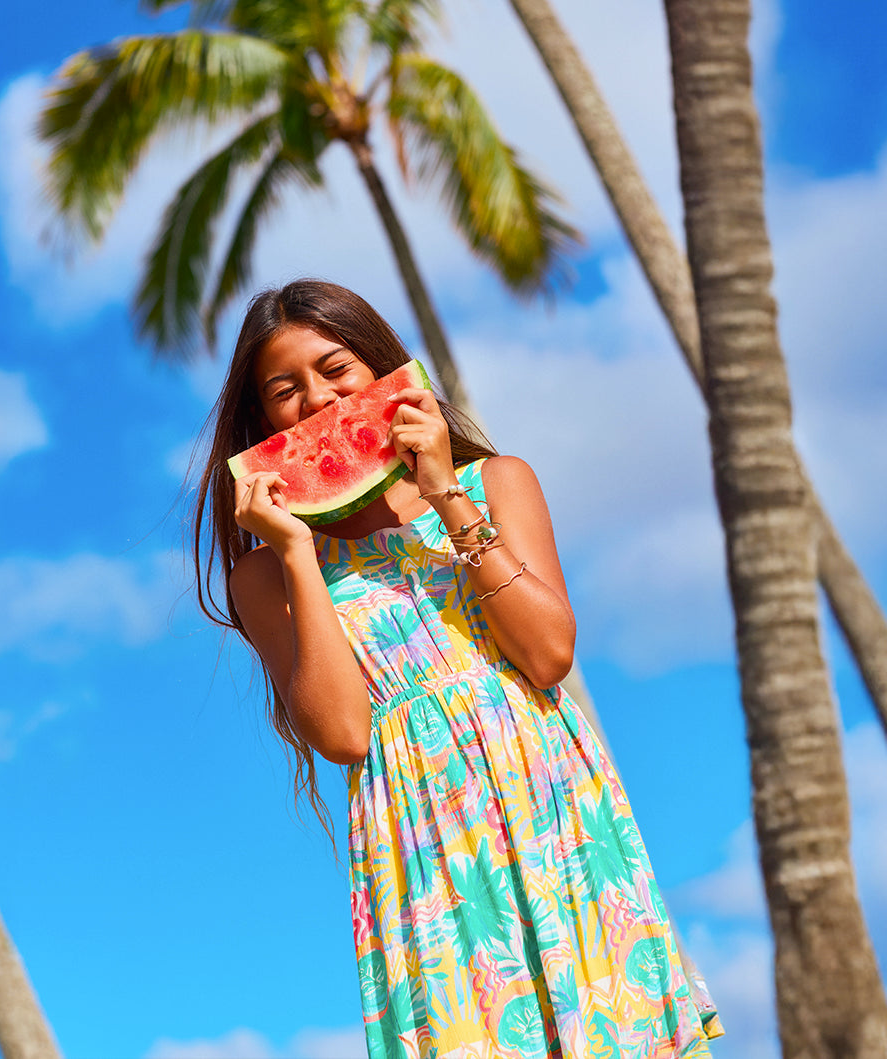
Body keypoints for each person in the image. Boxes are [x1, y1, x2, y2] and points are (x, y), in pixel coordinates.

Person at [192, 279, 721, 1058]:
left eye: (335, 369)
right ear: (262, 417)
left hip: (553, 808)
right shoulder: (263, 575)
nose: (315, 401)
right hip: (421, 838)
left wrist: (444, 492)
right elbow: (340, 734)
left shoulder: (497, 483)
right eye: (284, 390)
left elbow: (547, 654)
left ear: (380, 367)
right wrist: (297, 552)